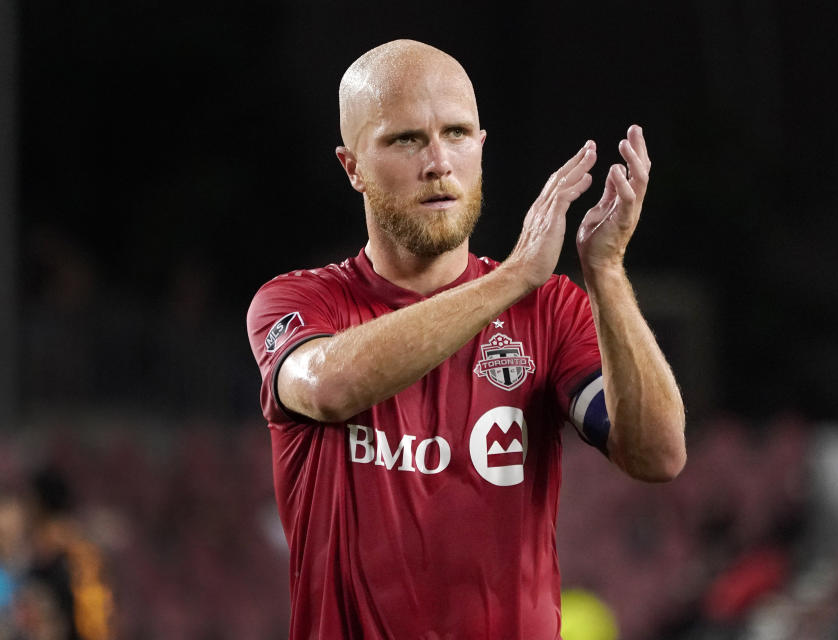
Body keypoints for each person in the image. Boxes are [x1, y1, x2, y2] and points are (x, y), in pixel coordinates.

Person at [246, 39, 686, 640]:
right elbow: (327, 387)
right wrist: (512, 277)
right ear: (352, 168)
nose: (438, 162)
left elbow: (658, 455)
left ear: (481, 147)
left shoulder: (551, 312)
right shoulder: (300, 303)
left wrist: (606, 275)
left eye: (456, 133)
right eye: (406, 139)